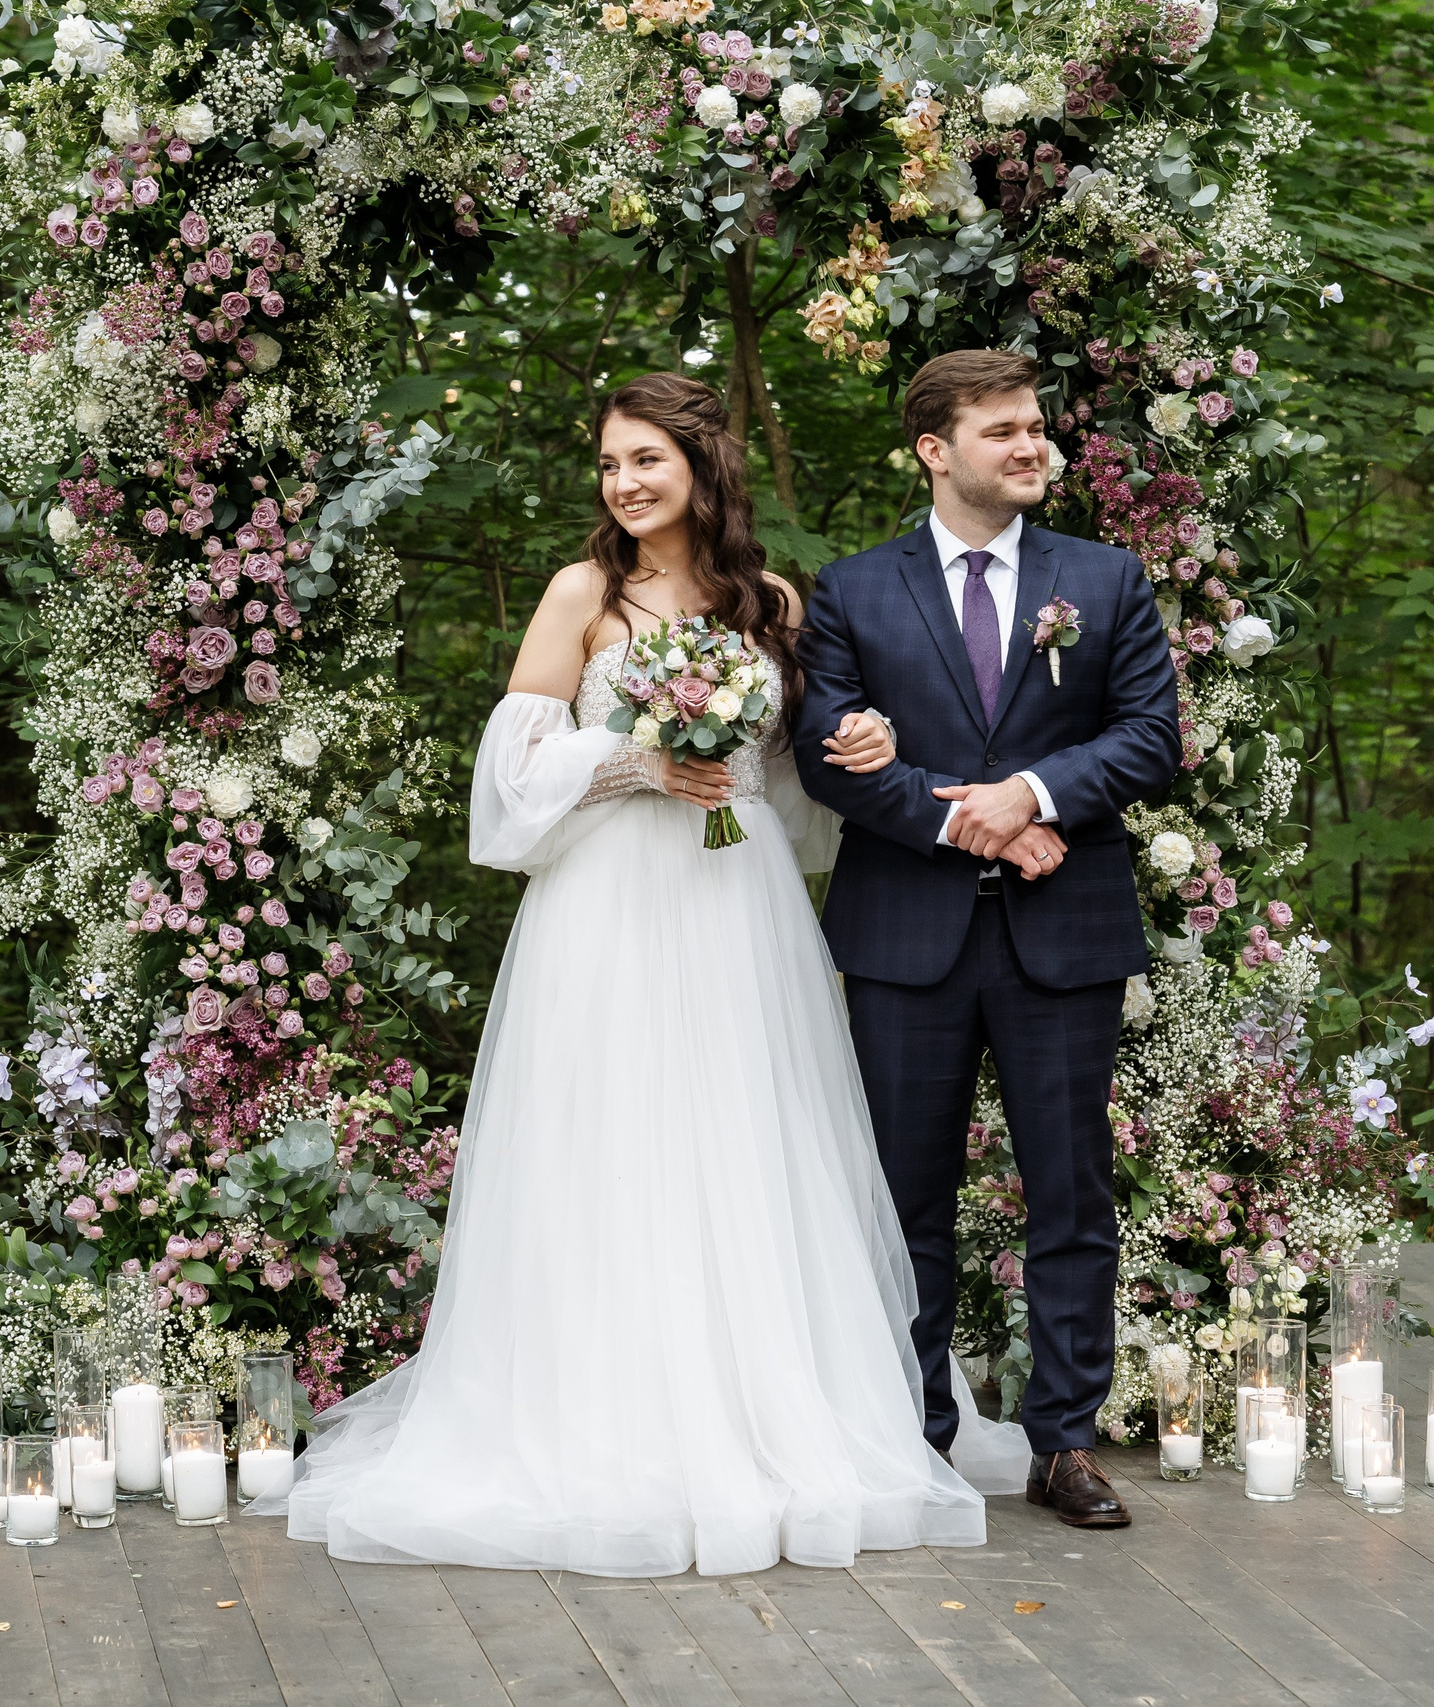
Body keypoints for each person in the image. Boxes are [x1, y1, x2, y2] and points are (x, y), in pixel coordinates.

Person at [275, 373, 1024, 1577]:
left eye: (646, 461)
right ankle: (598, 1423)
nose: (624, 484)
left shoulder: (773, 601)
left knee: (741, 1136)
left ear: (699, 464)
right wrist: (629, 757)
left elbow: (798, 774)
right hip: (609, 906)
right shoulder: (583, 592)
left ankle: (773, 1413)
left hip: (739, 905)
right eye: (610, 464)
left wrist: (858, 744)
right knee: (609, 1137)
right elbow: (510, 778)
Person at [792, 349, 1182, 1529]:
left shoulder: (1103, 580)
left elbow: (1150, 737)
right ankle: (909, 1439)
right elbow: (829, 755)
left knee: (1070, 1194)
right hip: (903, 938)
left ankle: (1063, 1444)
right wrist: (985, 825)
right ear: (933, 448)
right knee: (901, 1201)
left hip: (1064, 937)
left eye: (1036, 429)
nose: (1031, 447)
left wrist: (1033, 793)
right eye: (1003, 430)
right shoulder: (853, 591)